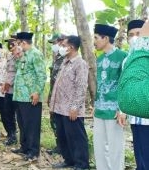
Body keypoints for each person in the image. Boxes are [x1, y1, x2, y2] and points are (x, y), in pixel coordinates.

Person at [50, 35, 89, 170]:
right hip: (59, 108)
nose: (61, 48)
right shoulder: (65, 62)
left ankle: (82, 164)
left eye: (63, 45)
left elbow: (81, 87)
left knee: (76, 138)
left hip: (71, 110)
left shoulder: (80, 64)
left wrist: (75, 107)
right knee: (63, 137)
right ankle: (69, 160)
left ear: (71, 47)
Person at [93, 24, 127, 170]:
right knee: (99, 147)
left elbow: (125, 85)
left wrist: (122, 109)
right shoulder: (99, 59)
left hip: (115, 111)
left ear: (106, 38)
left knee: (115, 148)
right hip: (99, 109)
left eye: (96, 38)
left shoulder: (123, 56)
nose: (94, 41)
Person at [118, 20, 149, 170]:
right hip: (136, 118)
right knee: (140, 153)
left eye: (139, 34)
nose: (135, 38)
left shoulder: (142, 56)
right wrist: (123, 111)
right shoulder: (128, 60)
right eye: (131, 35)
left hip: (146, 116)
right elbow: (124, 85)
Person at [11, 32, 46, 161]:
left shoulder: (35, 54)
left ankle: (33, 151)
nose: (17, 46)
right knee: (22, 124)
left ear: (23, 43)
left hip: (30, 96)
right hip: (20, 96)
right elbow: (20, 71)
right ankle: (24, 147)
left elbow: (41, 75)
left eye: (18, 43)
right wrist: (17, 56)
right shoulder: (24, 55)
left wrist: (37, 92)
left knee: (31, 125)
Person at [47, 33, 65, 154]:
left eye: (55, 43)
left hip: (63, 97)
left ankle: (64, 147)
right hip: (54, 95)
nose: (54, 45)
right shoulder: (57, 57)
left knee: (62, 123)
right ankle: (59, 146)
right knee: (54, 121)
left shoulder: (67, 58)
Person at [2, 36, 18, 145]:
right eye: (8, 42)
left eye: (12, 42)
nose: (10, 44)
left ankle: (17, 136)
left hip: (17, 90)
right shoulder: (9, 56)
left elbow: (17, 73)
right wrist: (5, 84)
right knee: (8, 113)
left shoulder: (19, 56)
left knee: (19, 115)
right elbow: (8, 72)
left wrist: (8, 83)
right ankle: (12, 135)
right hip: (8, 91)